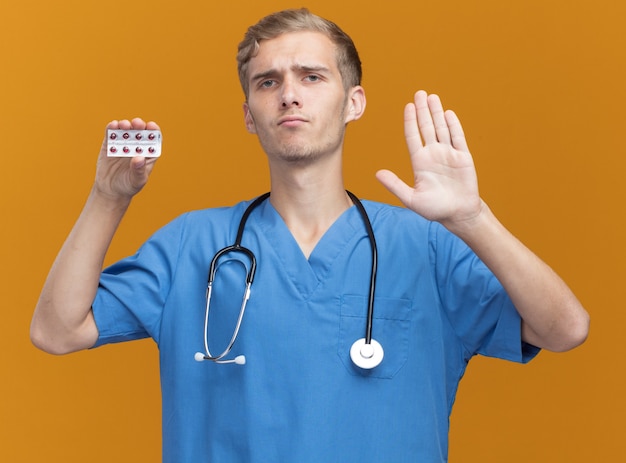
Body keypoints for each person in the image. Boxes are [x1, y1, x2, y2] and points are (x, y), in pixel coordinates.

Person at [31, 8, 589, 462]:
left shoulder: (426, 244)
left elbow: (564, 329)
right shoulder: (192, 246)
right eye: (267, 82)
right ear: (250, 113)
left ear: (354, 102)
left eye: (312, 77)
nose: (288, 95)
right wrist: (109, 198)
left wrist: (472, 219)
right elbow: (56, 331)